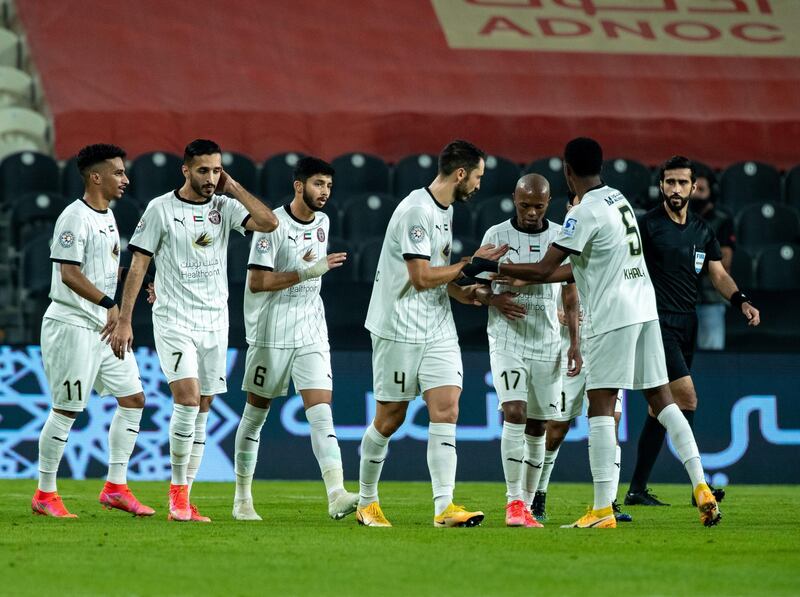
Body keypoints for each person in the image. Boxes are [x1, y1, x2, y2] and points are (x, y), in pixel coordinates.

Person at [466, 137, 722, 528]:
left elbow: (540, 269)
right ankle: (701, 484)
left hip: (612, 316)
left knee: (600, 406)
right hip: (645, 310)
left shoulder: (581, 213)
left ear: (567, 171)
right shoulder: (617, 199)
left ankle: (603, 508)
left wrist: (488, 268)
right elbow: (577, 267)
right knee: (662, 399)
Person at [110, 139, 278, 522]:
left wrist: (232, 187)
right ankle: (177, 495)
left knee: (204, 407)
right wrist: (125, 320)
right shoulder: (160, 209)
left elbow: (269, 223)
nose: (210, 177)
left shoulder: (225, 206)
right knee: (186, 400)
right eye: (203, 170)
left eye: (216, 170)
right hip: (174, 319)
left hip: (215, 322)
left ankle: (186, 495)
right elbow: (138, 266)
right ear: (185, 170)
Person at [355, 139, 507, 527]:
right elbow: (421, 277)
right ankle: (367, 502)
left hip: (436, 325)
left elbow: (438, 273)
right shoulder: (416, 212)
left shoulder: (445, 209)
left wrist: (463, 292)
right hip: (398, 327)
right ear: (460, 174)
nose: (478, 185)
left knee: (447, 408)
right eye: (476, 177)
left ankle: (444, 507)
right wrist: (470, 263)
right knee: (390, 417)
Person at [625, 156, 760, 507]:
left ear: (693, 187)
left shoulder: (702, 229)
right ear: (661, 186)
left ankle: (637, 489)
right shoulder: (648, 227)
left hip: (688, 322)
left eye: (682, 183)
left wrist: (741, 300)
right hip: (656, 323)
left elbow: (717, 273)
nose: (675, 189)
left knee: (659, 410)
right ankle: (698, 485)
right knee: (686, 397)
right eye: (669, 182)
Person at [231, 156, 358, 521]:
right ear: (299, 185)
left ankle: (336, 493)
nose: (325, 193)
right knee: (255, 416)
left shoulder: (324, 221)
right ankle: (242, 499)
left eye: (329, 186)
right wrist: (311, 270)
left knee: (321, 414)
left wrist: (310, 273)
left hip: (311, 329)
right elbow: (258, 282)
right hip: (271, 331)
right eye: (319, 184)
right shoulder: (271, 224)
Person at [32, 143, 154, 518]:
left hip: (102, 328)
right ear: (95, 176)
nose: (125, 179)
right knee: (67, 410)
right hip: (72, 325)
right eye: (118, 172)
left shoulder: (108, 216)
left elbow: (99, 267)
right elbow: (68, 273)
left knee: (133, 398)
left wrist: (144, 284)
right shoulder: (74, 217)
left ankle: (116, 487)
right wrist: (110, 305)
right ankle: (45, 493)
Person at [473, 174, 581, 528]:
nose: (531, 212)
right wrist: (494, 299)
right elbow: (473, 285)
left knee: (539, 426)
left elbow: (569, 289)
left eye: (537, 206)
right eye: (524, 205)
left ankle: (529, 505)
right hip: (507, 340)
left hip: (547, 342)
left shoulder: (561, 236)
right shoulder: (495, 235)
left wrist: (574, 343)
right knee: (515, 412)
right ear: (514, 200)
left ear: (548, 203)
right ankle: (513, 502)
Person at [530, 194, 631, 524]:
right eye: (574, 204)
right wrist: (564, 320)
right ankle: (539, 493)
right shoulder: (567, 239)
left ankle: (608, 501)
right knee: (557, 427)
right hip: (570, 346)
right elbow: (560, 285)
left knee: (610, 423)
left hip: (607, 340)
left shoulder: (610, 240)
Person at [691, 171, 736, 350]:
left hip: (710, 297)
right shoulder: (679, 218)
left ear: (712, 193)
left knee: (712, 357)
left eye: (701, 189)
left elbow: (724, 261)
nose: (695, 194)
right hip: (680, 298)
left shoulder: (722, 220)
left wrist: (689, 260)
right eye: (692, 188)